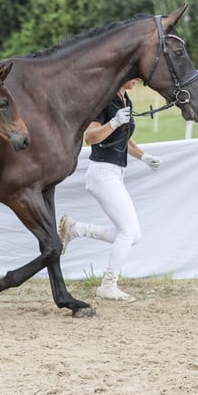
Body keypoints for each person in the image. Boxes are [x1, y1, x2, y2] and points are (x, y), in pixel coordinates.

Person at [59, 78, 160, 302]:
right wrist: (113, 122)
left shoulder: (125, 101)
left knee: (133, 235)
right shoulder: (104, 101)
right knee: (127, 231)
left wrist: (144, 156)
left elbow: (125, 138)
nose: (137, 80)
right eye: (133, 76)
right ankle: (108, 284)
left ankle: (75, 229)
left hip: (115, 173)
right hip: (102, 172)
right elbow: (90, 137)